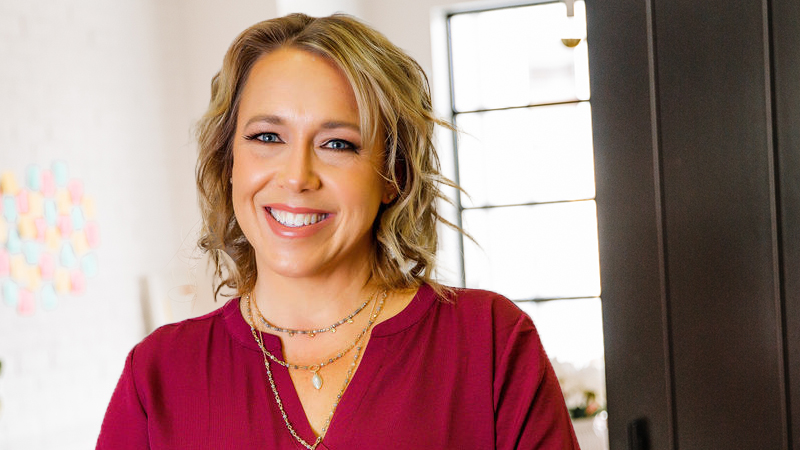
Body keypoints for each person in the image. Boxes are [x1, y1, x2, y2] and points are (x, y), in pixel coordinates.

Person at [96, 13, 579, 449]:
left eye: (337, 143)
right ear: (229, 163)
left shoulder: (489, 342)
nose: (297, 176)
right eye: (267, 137)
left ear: (392, 175)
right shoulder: (158, 372)